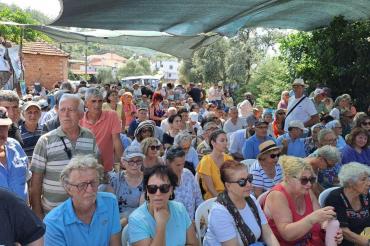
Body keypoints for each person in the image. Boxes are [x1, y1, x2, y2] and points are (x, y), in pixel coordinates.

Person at [31, 94, 99, 218]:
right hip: (53, 214)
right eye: (62, 110)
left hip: (84, 213)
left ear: (81, 114)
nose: (66, 114)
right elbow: (36, 180)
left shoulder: (89, 137)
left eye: (71, 110)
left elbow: (95, 172)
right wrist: (37, 213)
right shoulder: (45, 141)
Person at [263, 155, 342, 246]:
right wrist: (311, 219)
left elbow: (321, 220)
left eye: (311, 179)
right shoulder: (277, 196)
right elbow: (287, 235)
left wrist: (330, 228)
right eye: (304, 180)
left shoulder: (306, 191)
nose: (309, 184)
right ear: (288, 178)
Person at [43, 155, 121, 246]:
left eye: (93, 182)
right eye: (82, 185)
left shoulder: (110, 202)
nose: (90, 190)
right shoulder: (53, 222)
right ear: (68, 188)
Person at [204, 160, 279, 246]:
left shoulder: (251, 200)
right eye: (241, 182)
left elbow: (268, 234)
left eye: (249, 179)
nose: (249, 185)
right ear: (228, 186)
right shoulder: (219, 212)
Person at [128, 165, 198, 246]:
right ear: (147, 191)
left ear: (171, 190)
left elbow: (194, 243)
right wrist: (161, 225)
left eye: (164, 188)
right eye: (152, 188)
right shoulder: (136, 219)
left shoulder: (180, 209)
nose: (158, 193)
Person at [325, 162, 370, 246]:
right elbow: (344, 231)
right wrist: (367, 243)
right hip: (348, 242)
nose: (368, 183)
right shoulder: (335, 198)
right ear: (350, 182)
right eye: (363, 180)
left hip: (366, 235)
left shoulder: (364, 195)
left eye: (368, 179)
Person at [80, 88, 123, 171]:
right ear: (85, 103)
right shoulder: (80, 119)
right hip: (85, 169)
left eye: (100, 101)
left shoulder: (112, 115)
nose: (97, 104)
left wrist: (123, 162)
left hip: (106, 168)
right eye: (93, 101)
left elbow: (116, 140)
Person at [108, 145, 144, 227]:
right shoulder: (115, 179)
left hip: (136, 221)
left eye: (138, 161)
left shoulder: (147, 180)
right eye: (131, 161)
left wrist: (125, 221)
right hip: (115, 219)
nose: (135, 165)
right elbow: (110, 205)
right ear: (123, 162)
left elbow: (142, 210)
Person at [166, 146, 203, 220]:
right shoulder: (163, 181)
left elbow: (198, 198)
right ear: (168, 163)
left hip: (193, 222)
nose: (181, 168)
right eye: (178, 165)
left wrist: (201, 215)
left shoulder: (187, 174)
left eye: (183, 164)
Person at [0, 107, 29, 201]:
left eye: (4, 127)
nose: (1, 132)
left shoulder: (15, 146)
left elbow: (27, 178)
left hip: (21, 212)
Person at [197, 129, 233, 200]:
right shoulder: (206, 161)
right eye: (222, 141)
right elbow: (211, 189)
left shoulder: (229, 159)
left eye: (226, 140)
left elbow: (233, 181)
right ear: (213, 142)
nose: (225, 143)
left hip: (230, 195)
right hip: (213, 199)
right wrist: (224, 202)